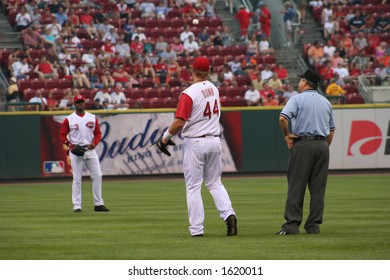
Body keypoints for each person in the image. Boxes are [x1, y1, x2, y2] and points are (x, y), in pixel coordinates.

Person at [160, 57, 237, 237]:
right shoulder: (214, 89)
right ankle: (229, 215)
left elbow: (179, 122)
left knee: (193, 186)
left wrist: (165, 137)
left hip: (195, 141)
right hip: (214, 140)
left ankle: (197, 230)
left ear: (192, 71)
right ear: (208, 71)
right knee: (215, 182)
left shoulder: (189, 93)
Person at [276, 68, 335, 235]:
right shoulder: (326, 102)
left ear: (305, 82)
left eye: (301, 80)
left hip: (303, 144)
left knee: (296, 186)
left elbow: (283, 118)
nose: (299, 82)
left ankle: (292, 226)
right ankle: (313, 226)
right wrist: (323, 146)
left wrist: (287, 135)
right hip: (322, 146)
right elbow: (331, 131)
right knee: (318, 189)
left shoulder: (297, 99)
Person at [59, 94, 109, 213]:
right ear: (74, 104)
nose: (81, 104)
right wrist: (70, 145)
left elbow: (98, 133)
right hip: (76, 151)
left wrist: (94, 143)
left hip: (90, 150)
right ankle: (77, 206)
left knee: (97, 176)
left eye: (82, 101)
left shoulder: (92, 117)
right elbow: (62, 135)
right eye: (78, 102)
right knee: (77, 179)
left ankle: (98, 204)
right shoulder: (69, 119)